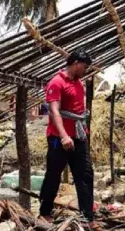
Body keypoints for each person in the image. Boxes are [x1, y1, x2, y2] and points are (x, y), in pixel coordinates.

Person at [39, 49, 99, 230]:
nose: (85, 69)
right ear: (75, 63)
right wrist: (64, 135)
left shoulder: (79, 83)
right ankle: (45, 211)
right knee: (53, 175)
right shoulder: (56, 83)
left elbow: (78, 112)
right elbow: (54, 111)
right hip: (59, 139)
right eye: (84, 66)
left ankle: (87, 217)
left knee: (86, 175)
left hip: (78, 138)